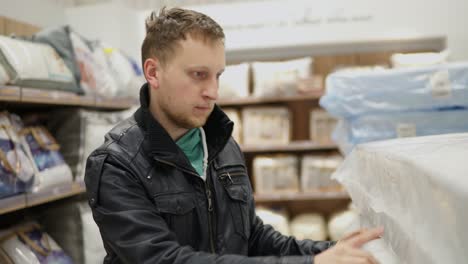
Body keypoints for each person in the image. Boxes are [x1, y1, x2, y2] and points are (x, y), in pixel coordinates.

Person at [85, 7, 383, 264]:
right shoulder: (116, 163)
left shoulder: (222, 145)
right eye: (198, 75)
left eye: (218, 76)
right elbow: (163, 259)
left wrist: (331, 251)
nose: (213, 92)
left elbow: (250, 236)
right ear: (153, 72)